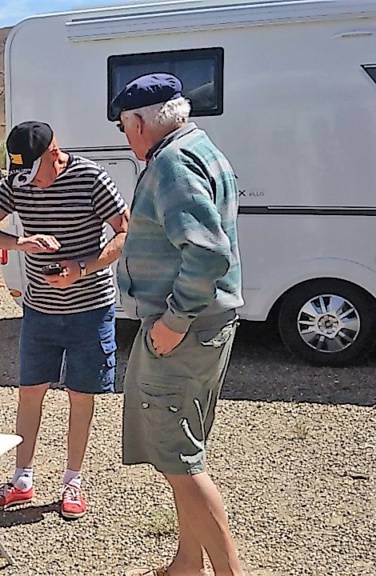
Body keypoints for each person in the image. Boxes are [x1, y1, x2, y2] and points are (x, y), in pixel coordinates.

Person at [112, 73, 244, 576]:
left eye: (126, 128)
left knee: (180, 461)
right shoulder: (200, 147)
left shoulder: (171, 163)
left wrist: (174, 320)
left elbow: (208, 253)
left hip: (184, 328)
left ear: (142, 123)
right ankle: (187, 564)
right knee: (184, 453)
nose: (127, 138)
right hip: (204, 325)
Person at [0, 121, 129, 520]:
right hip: (39, 311)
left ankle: (72, 481)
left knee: (80, 395)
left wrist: (82, 268)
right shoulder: (19, 182)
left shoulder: (91, 178)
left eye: (34, 173)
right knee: (30, 392)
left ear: (54, 154)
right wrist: (18, 242)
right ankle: (22, 480)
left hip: (90, 309)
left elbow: (126, 232)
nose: (30, 185)